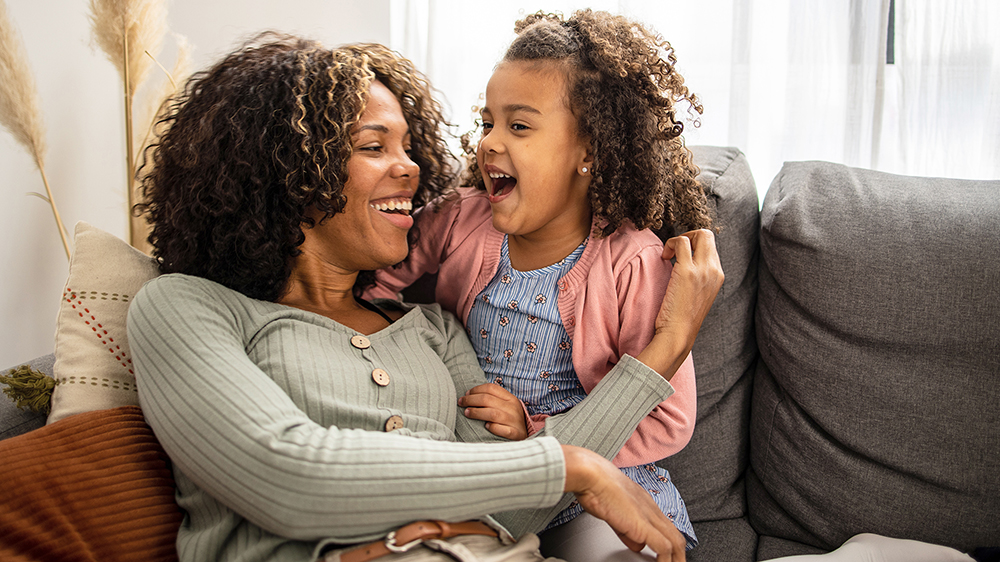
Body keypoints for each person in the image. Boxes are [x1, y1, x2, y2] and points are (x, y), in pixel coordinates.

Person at [127, 33, 722, 562]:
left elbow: (514, 512)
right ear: (289, 171)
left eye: (409, 146)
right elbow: (284, 478)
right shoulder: (186, 307)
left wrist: (669, 344)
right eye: (373, 146)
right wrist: (570, 465)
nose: (411, 168)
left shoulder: (433, 329)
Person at [366, 10, 715, 559]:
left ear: (590, 151)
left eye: (519, 126)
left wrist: (535, 429)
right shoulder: (459, 219)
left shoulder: (633, 262)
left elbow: (668, 419)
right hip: (487, 478)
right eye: (487, 123)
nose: (489, 143)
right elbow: (368, 285)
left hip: (597, 487)